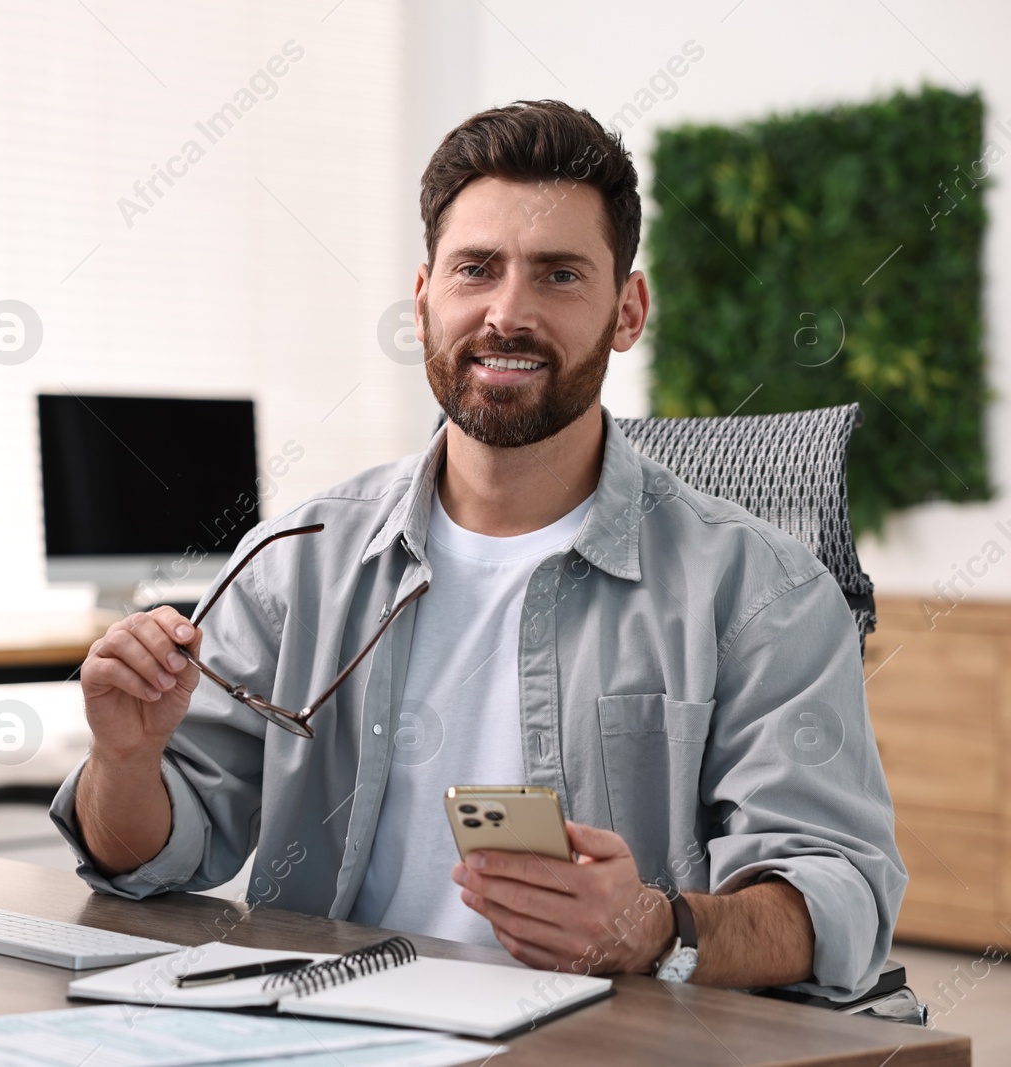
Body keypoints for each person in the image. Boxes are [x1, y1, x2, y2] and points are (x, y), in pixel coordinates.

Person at [49, 99, 904, 999]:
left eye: (560, 275)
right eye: (476, 270)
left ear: (628, 309)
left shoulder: (762, 591)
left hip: (604, 1049)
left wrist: (657, 927)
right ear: (424, 301)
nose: (508, 313)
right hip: (319, 1033)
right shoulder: (295, 561)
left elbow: (836, 897)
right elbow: (145, 857)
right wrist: (125, 762)